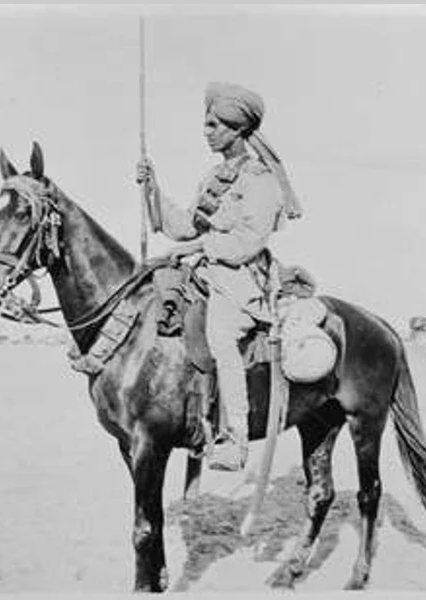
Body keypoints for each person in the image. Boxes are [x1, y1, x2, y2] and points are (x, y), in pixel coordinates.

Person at [137, 82, 302, 471]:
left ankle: (235, 439)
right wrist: (153, 187)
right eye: (206, 124)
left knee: (221, 337)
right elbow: (182, 227)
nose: (206, 131)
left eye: (214, 125)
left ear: (237, 130)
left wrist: (197, 249)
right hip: (208, 274)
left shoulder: (260, 179)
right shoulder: (215, 178)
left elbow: (247, 242)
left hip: (242, 281)